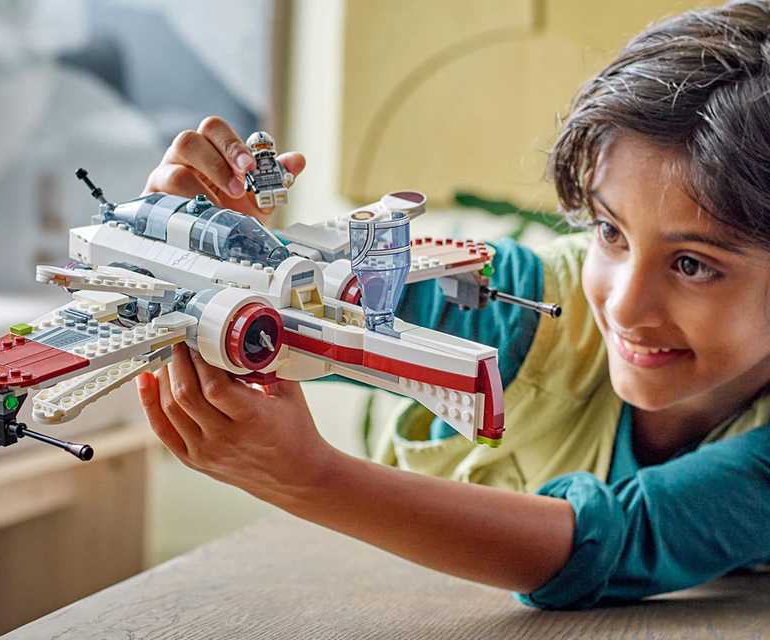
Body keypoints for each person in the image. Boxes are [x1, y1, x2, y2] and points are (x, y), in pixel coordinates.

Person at [135, 0, 770, 609]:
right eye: (609, 231)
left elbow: (612, 542)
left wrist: (309, 476)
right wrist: (215, 242)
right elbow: (328, 290)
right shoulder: (529, 303)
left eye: (693, 265)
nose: (627, 308)